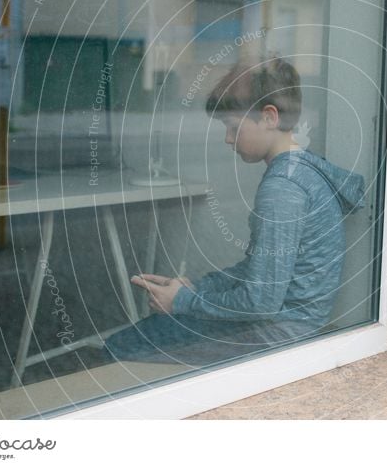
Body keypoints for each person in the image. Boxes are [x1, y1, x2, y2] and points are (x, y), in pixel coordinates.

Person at [103, 57, 365, 366]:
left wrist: (183, 301)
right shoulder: (305, 170)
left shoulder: (282, 189)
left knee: (123, 346)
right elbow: (260, 271)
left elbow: (261, 302)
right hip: (290, 324)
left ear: (269, 117)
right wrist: (200, 288)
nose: (228, 139)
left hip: (277, 334)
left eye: (233, 127)